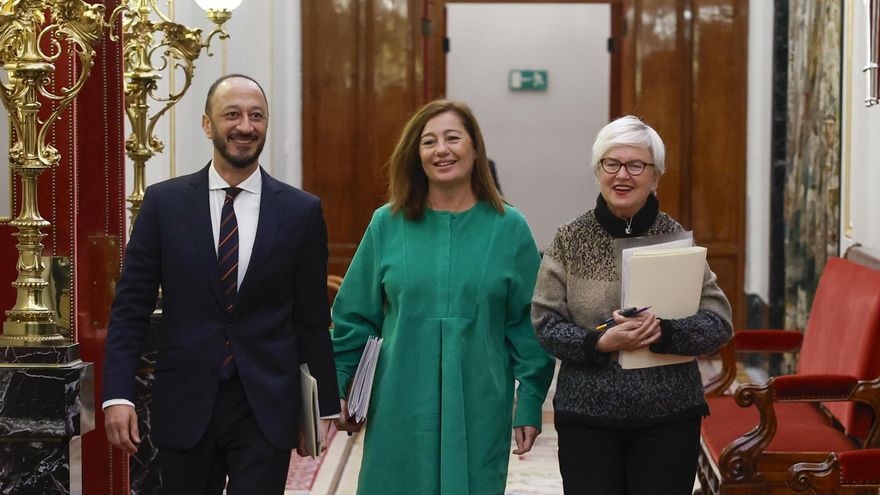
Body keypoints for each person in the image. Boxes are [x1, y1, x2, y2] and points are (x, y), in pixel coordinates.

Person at [102, 74, 340, 495]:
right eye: (232, 114)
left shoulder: (301, 212)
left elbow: (311, 317)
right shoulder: (164, 204)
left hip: (265, 404)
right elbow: (130, 308)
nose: (245, 126)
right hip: (185, 399)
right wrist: (117, 394)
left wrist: (321, 407)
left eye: (256, 116)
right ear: (207, 125)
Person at [331, 100, 555, 494]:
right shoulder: (387, 223)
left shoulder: (509, 228)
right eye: (428, 142)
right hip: (398, 400)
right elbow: (354, 317)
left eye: (453, 138)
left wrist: (531, 400)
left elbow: (529, 326)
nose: (441, 150)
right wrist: (340, 383)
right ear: (416, 156)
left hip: (479, 404)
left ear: (474, 148)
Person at [531, 115, 733, 494]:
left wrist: (666, 332)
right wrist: (598, 342)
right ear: (598, 170)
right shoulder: (570, 239)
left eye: (636, 165)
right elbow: (545, 322)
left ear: (655, 176)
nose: (622, 174)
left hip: (669, 414)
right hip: (587, 415)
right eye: (612, 163)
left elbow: (718, 323)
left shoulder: (675, 238)